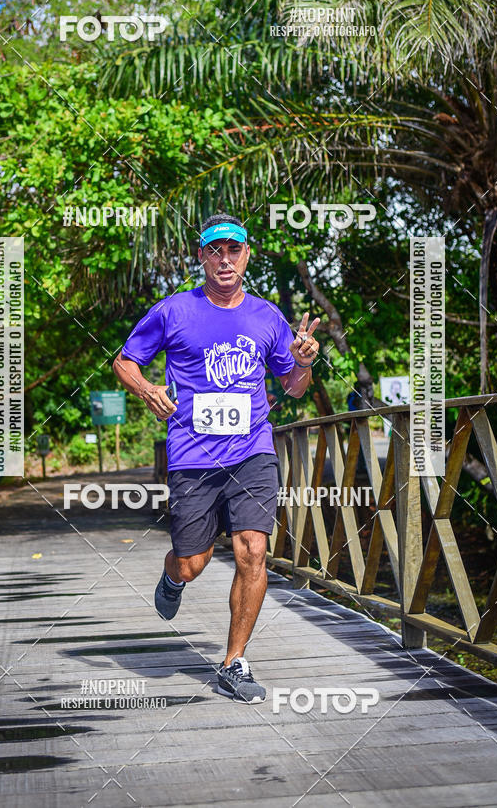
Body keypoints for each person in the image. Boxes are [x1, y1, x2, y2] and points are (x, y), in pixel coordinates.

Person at [113, 214, 319, 703]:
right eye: (214, 250)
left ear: (247, 255)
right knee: (193, 563)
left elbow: (292, 387)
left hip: (252, 451)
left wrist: (305, 362)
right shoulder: (174, 311)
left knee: (253, 550)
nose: (225, 259)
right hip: (192, 457)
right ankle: (172, 575)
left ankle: (234, 662)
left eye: (234, 249)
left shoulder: (268, 317)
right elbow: (125, 361)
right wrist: (146, 389)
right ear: (201, 257)